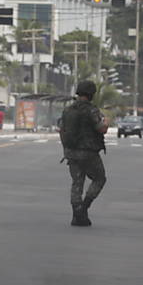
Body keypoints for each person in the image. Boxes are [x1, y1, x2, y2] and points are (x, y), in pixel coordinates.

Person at [58, 80, 109, 227]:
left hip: (71, 153)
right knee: (99, 178)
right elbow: (101, 129)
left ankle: (76, 215)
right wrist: (106, 122)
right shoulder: (92, 110)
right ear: (91, 94)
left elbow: (62, 131)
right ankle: (84, 208)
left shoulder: (68, 110)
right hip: (89, 154)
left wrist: (66, 150)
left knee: (77, 183)